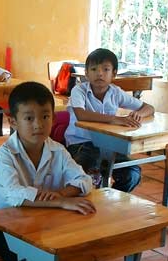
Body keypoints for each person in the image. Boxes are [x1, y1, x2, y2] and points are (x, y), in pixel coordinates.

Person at [0, 81, 101, 261]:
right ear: (13, 121)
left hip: (46, 224)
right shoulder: (6, 154)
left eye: (45, 117)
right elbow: (14, 195)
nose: (38, 125)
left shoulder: (57, 150)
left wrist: (64, 193)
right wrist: (61, 203)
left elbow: (84, 180)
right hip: (3, 225)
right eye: (29, 118)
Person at [64, 47, 154, 191]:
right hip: (82, 144)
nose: (99, 73)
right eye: (93, 69)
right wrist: (114, 119)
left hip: (108, 145)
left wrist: (139, 114)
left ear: (114, 73)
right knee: (79, 176)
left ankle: (111, 201)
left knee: (132, 174)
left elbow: (149, 108)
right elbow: (81, 114)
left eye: (105, 69)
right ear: (86, 73)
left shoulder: (115, 92)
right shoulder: (79, 90)